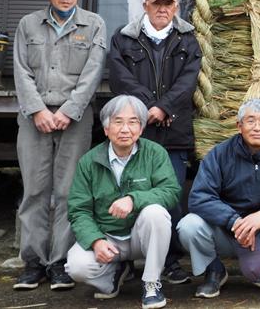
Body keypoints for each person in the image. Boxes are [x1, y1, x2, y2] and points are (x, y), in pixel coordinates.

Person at [12, 0, 107, 291]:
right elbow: (21, 71)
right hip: (33, 119)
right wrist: (37, 109)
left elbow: (93, 73)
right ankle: (33, 262)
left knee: (69, 193)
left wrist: (68, 110)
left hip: (74, 120)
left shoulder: (94, 24)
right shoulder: (28, 25)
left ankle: (60, 263)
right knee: (34, 191)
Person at [107, 0, 202, 284]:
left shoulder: (188, 39)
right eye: (157, 3)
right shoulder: (124, 37)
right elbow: (119, 77)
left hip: (173, 131)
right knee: (126, 194)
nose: (163, 9)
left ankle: (170, 261)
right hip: (134, 131)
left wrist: (163, 108)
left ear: (176, 8)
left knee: (170, 196)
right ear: (145, 5)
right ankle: (127, 262)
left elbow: (189, 81)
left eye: (169, 4)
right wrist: (147, 108)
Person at [177, 98, 260, 299]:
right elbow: (199, 197)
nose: (257, 127)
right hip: (226, 230)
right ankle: (213, 270)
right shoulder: (219, 154)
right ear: (239, 126)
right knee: (188, 225)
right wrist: (234, 221)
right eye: (250, 121)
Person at [65, 95, 181, 309]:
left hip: (140, 235)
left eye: (133, 122)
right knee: (76, 267)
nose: (125, 129)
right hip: (108, 236)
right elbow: (78, 210)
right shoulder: (88, 162)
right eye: (118, 122)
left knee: (156, 212)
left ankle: (152, 281)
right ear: (106, 129)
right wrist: (95, 240)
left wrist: (133, 199)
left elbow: (170, 191)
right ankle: (113, 273)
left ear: (142, 128)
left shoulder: (155, 153)